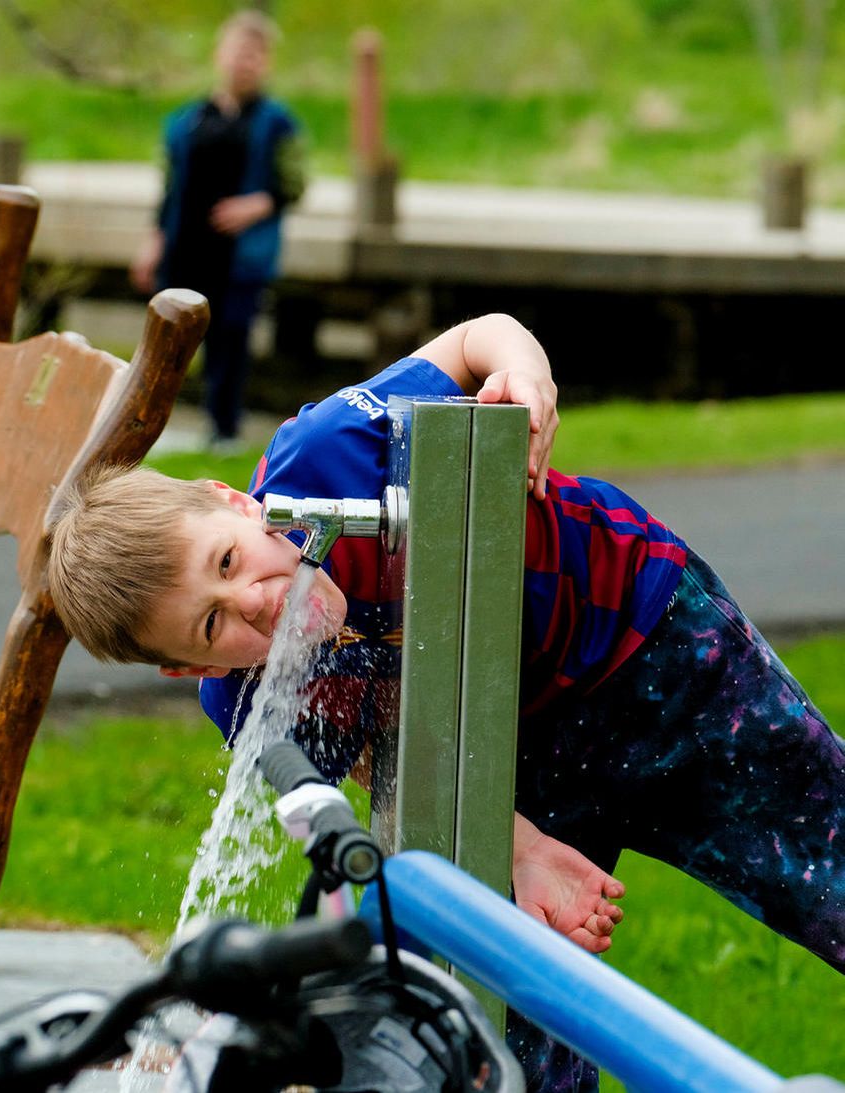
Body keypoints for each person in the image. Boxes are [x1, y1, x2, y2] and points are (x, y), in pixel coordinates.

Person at [46, 313, 842, 1092]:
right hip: (501, 747)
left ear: (236, 502)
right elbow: (384, 748)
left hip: (653, 646)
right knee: (491, 1010)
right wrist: (518, 846)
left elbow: (476, 336)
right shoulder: (257, 703)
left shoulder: (328, 457)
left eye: (227, 558)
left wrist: (525, 376)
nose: (252, 598)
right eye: (212, 622)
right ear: (188, 669)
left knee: (827, 862)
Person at [131, 9, 306, 449]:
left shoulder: (277, 123)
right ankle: (149, 427)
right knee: (171, 343)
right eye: (237, 52)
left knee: (231, 339)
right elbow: (169, 190)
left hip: (239, 254)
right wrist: (154, 243)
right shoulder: (186, 121)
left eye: (254, 55)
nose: (243, 63)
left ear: (266, 63)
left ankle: (223, 429)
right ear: (219, 55)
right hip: (187, 248)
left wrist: (257, 204)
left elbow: (295, 183)